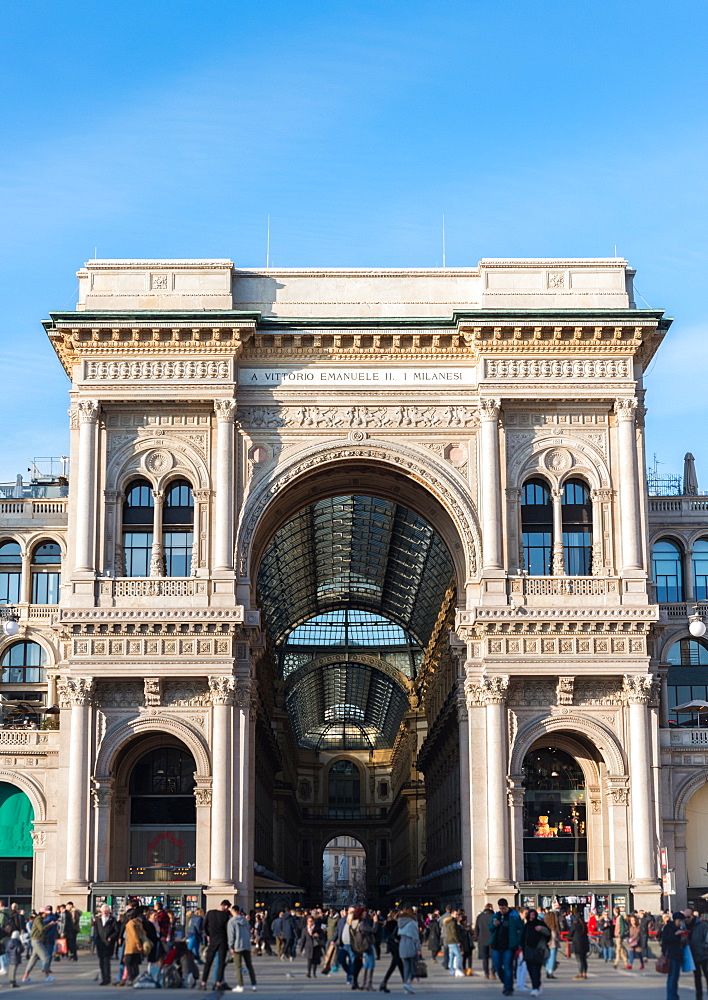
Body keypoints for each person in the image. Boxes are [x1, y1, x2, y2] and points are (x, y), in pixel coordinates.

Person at [489, 898, 523, 997]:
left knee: (508, 966)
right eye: (500, 908)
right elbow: (490, 928)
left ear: (507, 906)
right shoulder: (496, 915)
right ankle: (506, 983)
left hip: (509, 945)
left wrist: (517, 941)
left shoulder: (514, 916)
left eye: (503, 908)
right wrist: (494, 925)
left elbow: (521, 929)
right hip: (496, 945)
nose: (502, 910)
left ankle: (509, 987)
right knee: (497, 966)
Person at [200, 900, 232, 991]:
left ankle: (203, 983)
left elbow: (204, 926)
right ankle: (218, 983)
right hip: (222, 940)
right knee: (221, 963)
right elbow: (227, 929)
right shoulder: (225, 915)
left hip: (212, 940)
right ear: (226, 906)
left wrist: (208, 935)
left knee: (208, 962)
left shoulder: (210, 913)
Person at [228, 904, 257, 993]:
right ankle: (254, 985)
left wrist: (231, 946)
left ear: (233, 911)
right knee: (249, 966)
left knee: (238, 966)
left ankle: (240, 985)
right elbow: (249, 932)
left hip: (237, 946)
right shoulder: (245, 920)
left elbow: (231, 935)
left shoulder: (231, 922)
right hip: (246, 945)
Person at [521, 909, 550, 997]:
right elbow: (523, 938)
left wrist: (541, 929)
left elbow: (548, 934)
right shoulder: (527, 925)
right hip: (528, 950)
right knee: (530, 970)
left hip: (538, 950)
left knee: (536, 970)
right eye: (530, 915)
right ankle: (537, 984)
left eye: (533, 915)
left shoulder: (540, 924)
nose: (531, 917)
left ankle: (535, 987)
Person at [22, 907, 55, 984]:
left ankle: (25, 976)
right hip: (37, 941)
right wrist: (50, 924)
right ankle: (47, 976)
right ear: (42, 913)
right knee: (46, 957)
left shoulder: (40, 919)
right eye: (46, 913)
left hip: (37, 940)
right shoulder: (38, 919)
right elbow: (42, 929)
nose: (47, 915)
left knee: (33, 959)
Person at [662, 911, 688, 1000]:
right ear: (676, 920)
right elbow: (665, 939)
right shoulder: (669, 927)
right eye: (680, 920)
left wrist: (683, 939)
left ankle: (674, 996)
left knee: (675, 977)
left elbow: (679, 942)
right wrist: (676, 934)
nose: (681, 922)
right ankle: (671, 997)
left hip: (678, 954)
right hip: (671, 955)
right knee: (672, 978)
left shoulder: (678, 928)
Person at [93, 903, 119, 986]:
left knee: (106, 961)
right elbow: (96, 931)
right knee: (101, 961)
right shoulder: (98, 920)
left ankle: (107, 978)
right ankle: (103, 977)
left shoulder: (112, 920)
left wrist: (111, 937)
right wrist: (96, 940)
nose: (105, 912)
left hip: (108, 943)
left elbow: (116, 930)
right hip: (100, 943)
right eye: (103, 911)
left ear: (109, 911)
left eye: (106, 911)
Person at [379, 909, 404, 993]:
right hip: (396, 945)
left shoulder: (388, 923)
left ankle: (405, 983)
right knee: (394, 964)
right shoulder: (396, 923)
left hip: (391, 945)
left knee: (399, 964)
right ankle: (384, 982)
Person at [397, 908, 421, 996]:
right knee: (414, 967)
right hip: (411, 944)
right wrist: (418, 949)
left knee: (406, 966)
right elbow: (415, 938)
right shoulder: (412, 923)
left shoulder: (400, 922)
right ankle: (408, 983)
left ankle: (406, 984)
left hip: (402, 944)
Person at [123, 906, 148, 986]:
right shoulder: (138, 922)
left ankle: (131, 978)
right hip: (137, 946)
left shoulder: (130, 923)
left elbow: (134, 934)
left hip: (131, 946)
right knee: (135, 963)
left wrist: (137, 943)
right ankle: (136, 977)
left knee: (128, 962)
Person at [686, 910, 708, 1000]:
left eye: (688, 917)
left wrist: (704, 947)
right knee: (697, 977)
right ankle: (699, 997)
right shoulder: (684, 926)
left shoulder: (702, 925)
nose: (686, 920)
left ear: (692, 916)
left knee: (707, 975)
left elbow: (706, 937)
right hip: (693, 955)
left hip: (704, 954)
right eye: (685, 918)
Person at [299, 913, 323, 980]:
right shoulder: (305, 929)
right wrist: (301, 948)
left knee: (315, 961)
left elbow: (322, 936)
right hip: (308, 946)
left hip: (316, 946)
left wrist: (318, 935)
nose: (310, 922)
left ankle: (314, 973)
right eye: (309, 921)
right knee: (309, 960)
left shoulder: (317, 928)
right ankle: (308, 973)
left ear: (313, 921)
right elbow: (303, 939)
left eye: (311, 921)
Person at [474, 903, 495, 980]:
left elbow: (476, 929)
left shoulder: (479, 917)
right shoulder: (493, 916)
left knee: (485, 958)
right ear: (490, 908)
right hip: (492, 940)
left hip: (482, 939)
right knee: (494, 957)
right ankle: (493, 972)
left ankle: (486, 974)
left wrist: (477, 938)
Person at [442, 909, 464, 977]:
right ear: (451, 914)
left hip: (449, 940)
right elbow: (454, 932)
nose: (457, 916)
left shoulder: (448, 921)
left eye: (457, 914)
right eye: (455, 914)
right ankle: (457, 969)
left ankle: (451, 969)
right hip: (453, 940)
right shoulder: (452, 922)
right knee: (458, 955)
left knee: (451, 955)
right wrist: (458, 941)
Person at [569, 912, 589, 981]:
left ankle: (580, 973)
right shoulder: (584, 925)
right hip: (585, 943)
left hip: (577, 944)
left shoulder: (575, 925)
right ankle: (584, 973)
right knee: (584, 959)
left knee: (579, 960)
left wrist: (568, 937)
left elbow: (570, 934)